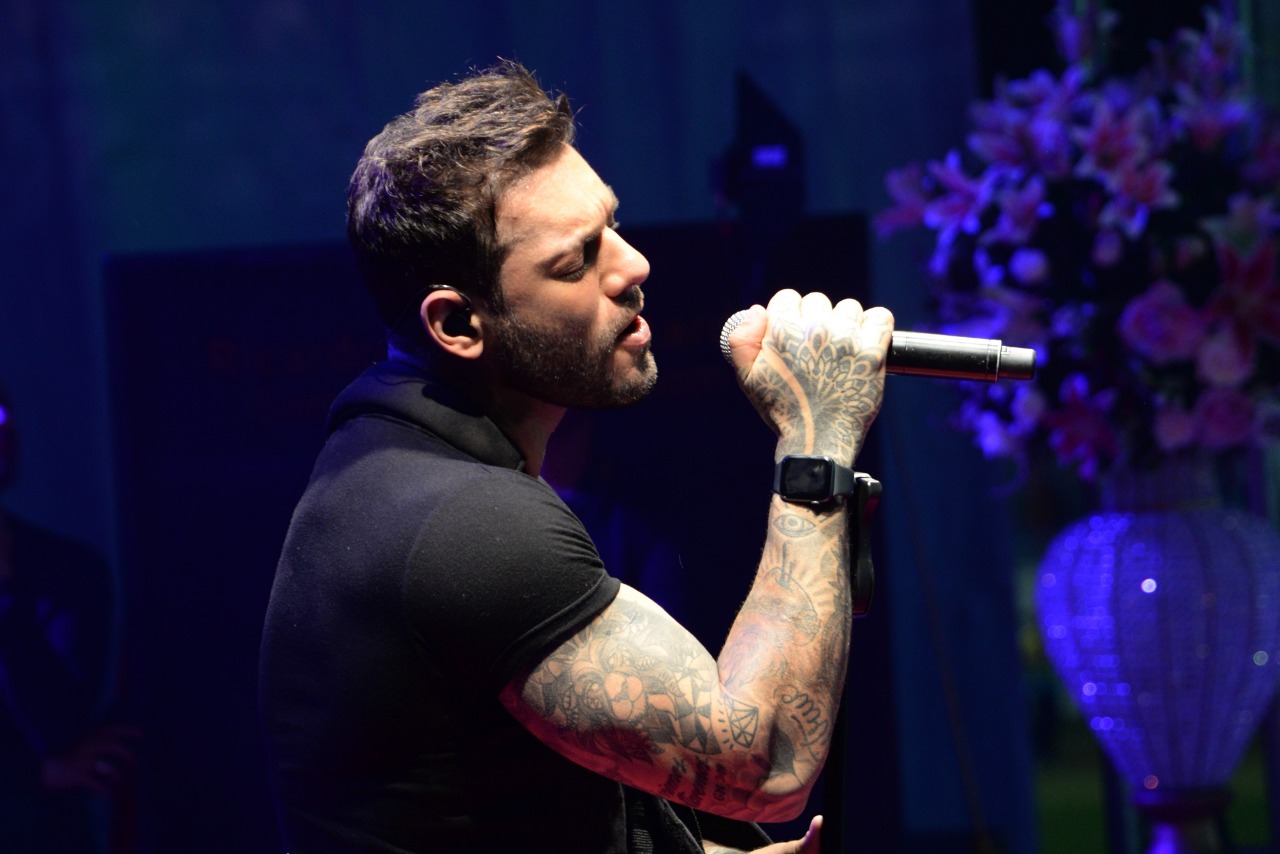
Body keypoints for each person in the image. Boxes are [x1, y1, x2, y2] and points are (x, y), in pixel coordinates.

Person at [258, 61, 893, 853]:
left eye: (613, 226)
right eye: (576, 260)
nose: (633, 267)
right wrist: (816, 438)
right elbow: (760, 763)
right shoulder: (461, 525)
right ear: (457, 324)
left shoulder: (398, 469)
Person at [0, 383, 139, 852]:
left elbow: (66, 726)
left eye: (1, 414)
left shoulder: (67, 569)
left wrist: (9, 596)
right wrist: (31, 775)